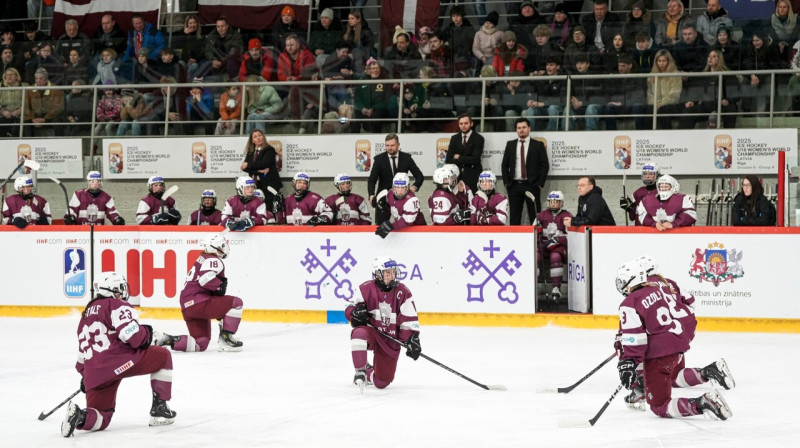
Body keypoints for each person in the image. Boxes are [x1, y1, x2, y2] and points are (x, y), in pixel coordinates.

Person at [614, 259, 735, 420]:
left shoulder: (630, 303)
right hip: (678, 342)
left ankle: (703, 402)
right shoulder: (659, 287)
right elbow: (687, 304)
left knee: (659, 405)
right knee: (673, 376)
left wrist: (628, 361)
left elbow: (635, 339)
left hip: (661, 353)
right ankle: (644, 385)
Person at [61, 272, 176, 438]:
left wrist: (87, 377)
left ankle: (79, 416)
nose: (123, 292)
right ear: (112, 290)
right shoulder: (116, 305)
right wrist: (147, 333)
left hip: (94, 373)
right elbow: (133, 337)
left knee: (103, 416)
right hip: (121, 361)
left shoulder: (85, 316)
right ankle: (160, 410)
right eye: (120, 288)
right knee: (162, 356)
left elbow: (81, 360)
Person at [154, 235, 245, 352]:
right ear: (213, 247)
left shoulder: (202, 257)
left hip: (188, 306)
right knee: (236, 303)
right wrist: (219, 286)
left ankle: (168, 339)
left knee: (200, 344)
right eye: (221, 245)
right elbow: (204, 280)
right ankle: (226, 340)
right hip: (199, 302)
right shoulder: (213, 259)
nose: (224, 247)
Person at [345, 256, 421, 391]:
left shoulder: (403, 292)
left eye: (393, 272)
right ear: (378, 274)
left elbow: (408, 319)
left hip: (389, 341)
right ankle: (360, 370)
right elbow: (349, 308)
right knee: (358, 333)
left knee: (381, 382)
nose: (392, 275)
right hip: (373, 333)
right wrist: (354, 313)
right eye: (388, 273)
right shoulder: (365, 289)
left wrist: (412, 339)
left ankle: (368, 372)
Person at [367, 133, 424, 224]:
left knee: (404, 225)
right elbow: (372, 180)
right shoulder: (378, 160)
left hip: (402, 197)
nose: (389, 148)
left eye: (392, 145)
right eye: (387, 145)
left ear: (398, 144)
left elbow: (419, 176)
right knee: (380, 226)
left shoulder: (407, 158)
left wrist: (414, 187)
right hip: (383, 198)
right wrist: (371, 195)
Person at [501, 117, 549, 225]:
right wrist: (507, 183)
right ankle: (515, 235)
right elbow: (504, 165)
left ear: (529, 128)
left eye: (524, 127)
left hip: (532, 185)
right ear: (516, 130)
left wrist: (540, 184)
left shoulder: (538, 145)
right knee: (514, 217)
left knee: (535, 216)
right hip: (514, 185)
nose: (521, 130)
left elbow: (545, 165)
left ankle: (536, 235)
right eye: (519, 128)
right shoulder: (510, 145)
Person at [536, 191, 573, 300]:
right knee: (535, 257)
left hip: (559, 248)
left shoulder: (567, 216)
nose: (553, 203)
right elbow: (532, 232)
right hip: (543, 246)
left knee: (555, 257)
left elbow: (572, 235)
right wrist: (537, 231)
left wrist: (558, 240)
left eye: (556, 201)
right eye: (551, 201)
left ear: (561, 203)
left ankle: (556, 287)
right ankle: (533, 285)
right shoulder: (541, 215)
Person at [240, 128, 283, 213]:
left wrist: (249, 165)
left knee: (269, 208)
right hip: (256, 184)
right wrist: (258, 171)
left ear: (263, 137)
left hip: (269, 184)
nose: (258, 138)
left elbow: (263, 163)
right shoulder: (251, 152)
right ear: (252, 140)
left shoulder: (269, 149)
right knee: (256, 207)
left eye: (260, 135)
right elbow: (245, 168)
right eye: (255, 137)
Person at [445, 114, 484, 193]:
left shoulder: (479, 138)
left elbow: (475, 159)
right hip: (456, 176)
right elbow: (448, 159)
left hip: (473, 176)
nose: (463, 126)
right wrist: (466, 159)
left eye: (466, 123)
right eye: (461, 123)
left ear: (471, 124)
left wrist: (459, 157)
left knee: (473, 199)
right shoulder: (454, 138)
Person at [23, 67, 64, 137]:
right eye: (36, 78)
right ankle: (28, 142)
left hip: (50, 116)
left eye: (40, 79)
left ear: (46, 80)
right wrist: (33, 119)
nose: (38, 81)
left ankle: (60, 141)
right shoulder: (30, 89)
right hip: (35, 116)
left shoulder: (55, 89)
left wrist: (45, 119)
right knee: (25, 121)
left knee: (57, 120)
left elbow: (59, 107)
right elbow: (26, 106)